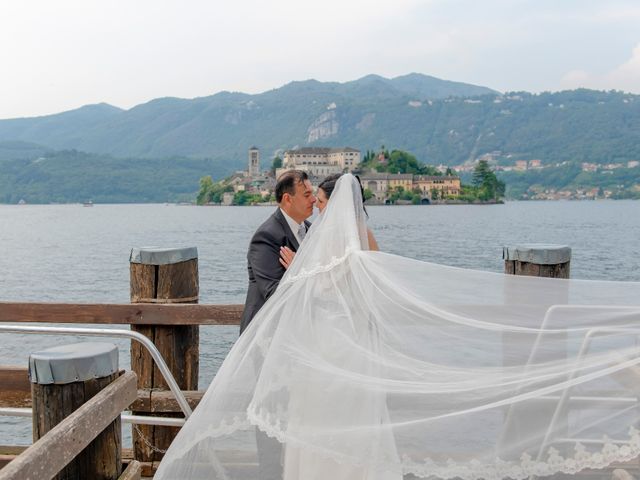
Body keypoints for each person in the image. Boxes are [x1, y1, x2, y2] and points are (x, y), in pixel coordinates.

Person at [155, 174, 640, 480]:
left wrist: (301, 263)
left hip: (328, 348)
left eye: (318, 199)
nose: (315, 206)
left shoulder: (321, 245)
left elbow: (319, 287)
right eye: (310, 199)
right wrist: (305, 263)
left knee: (320, 422)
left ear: (330, 202)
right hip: (343, 343)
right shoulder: (363, 238)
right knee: (351, 422)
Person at [239, 169, 315, 334]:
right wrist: (300, 268)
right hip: (265, 334)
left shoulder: (311, 229)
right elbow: (273, 293)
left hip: (297, 332)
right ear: (288, 198)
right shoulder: (266, 236)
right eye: (307, 195)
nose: (314, 199)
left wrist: (301, 267)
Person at [279, 173, 378, 269]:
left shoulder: (332, 235)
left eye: (321, 201)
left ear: (336, 204)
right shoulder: (365, 232)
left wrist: (296, 269)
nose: (316, 205)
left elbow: (327, 282)